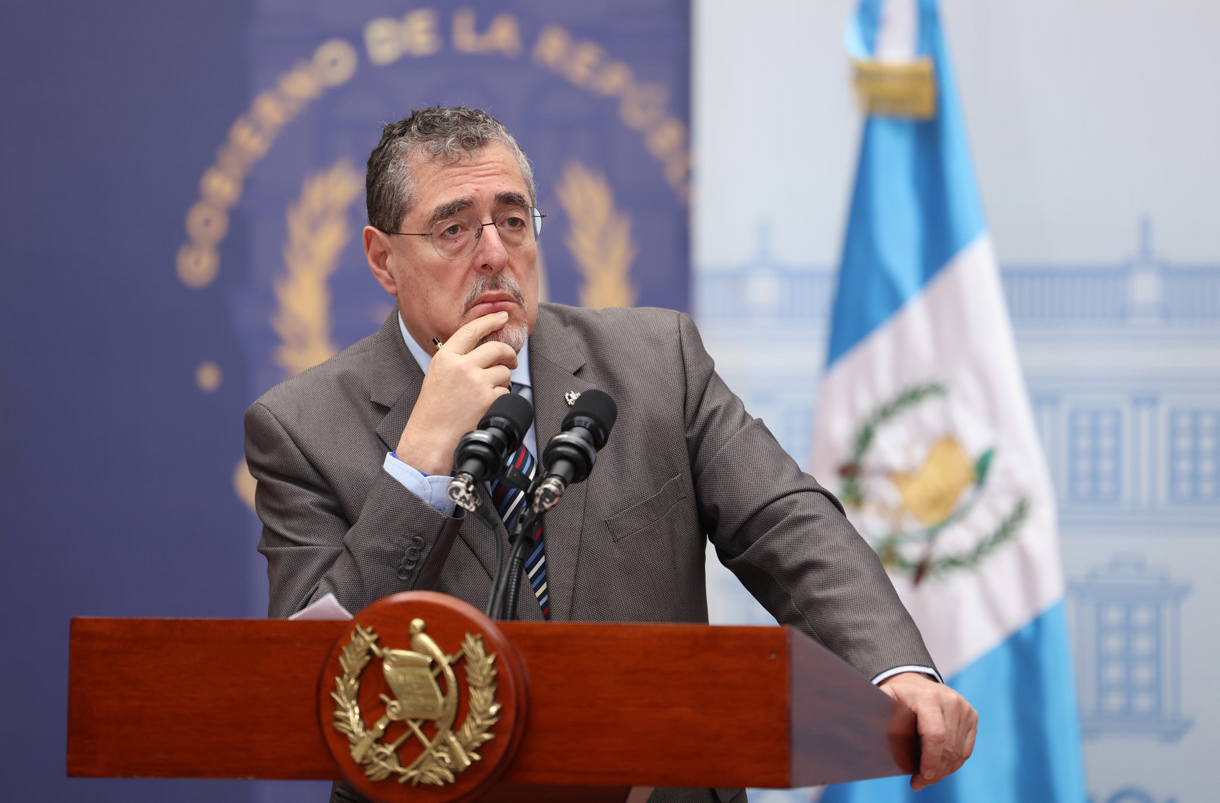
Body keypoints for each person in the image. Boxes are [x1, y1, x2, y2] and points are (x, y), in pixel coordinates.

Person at [245, 106, 976, 803]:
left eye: (512, 220)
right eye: (455, 228)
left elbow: (785, 522)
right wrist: (421, 459)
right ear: (383, 259)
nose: (496, 253)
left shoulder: (656, 361)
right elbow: (315, 664)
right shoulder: (302, 426)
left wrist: (894, 667)